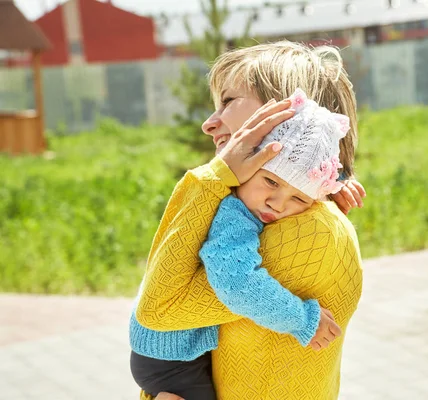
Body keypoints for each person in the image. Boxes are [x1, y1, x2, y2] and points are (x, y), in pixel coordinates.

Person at [134, 41, 365, 400]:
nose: (209, 125)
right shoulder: (258, 204)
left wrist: (213, 176)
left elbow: (157, 309)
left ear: (286, 112)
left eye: (227, 102)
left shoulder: (308, 231)